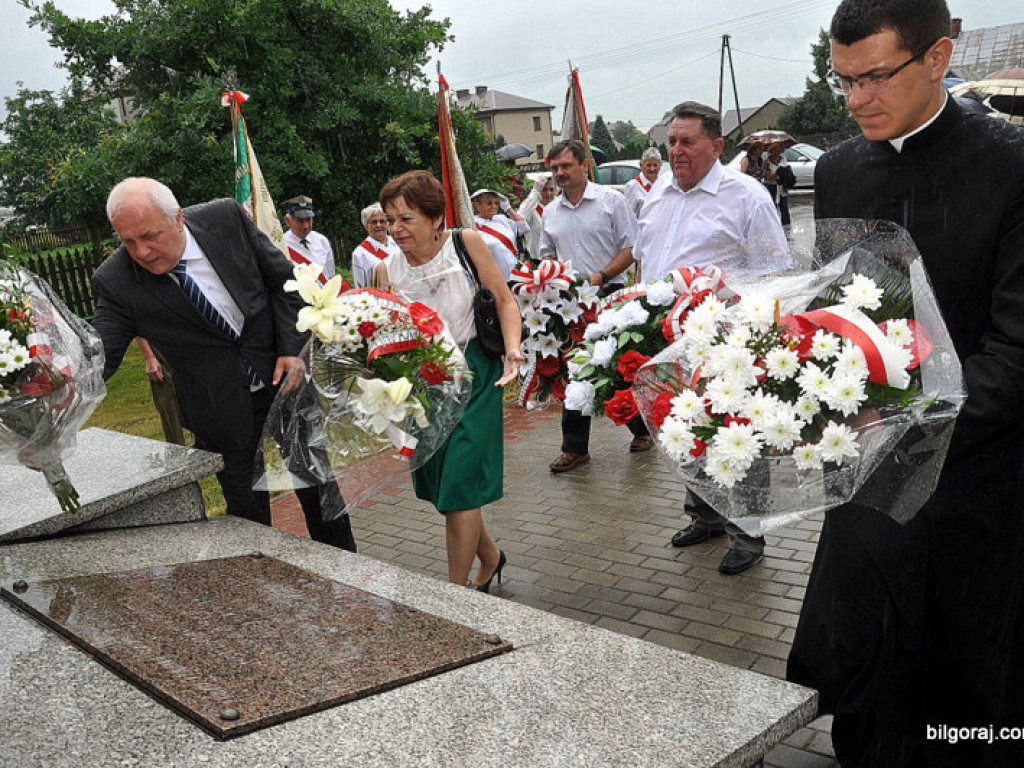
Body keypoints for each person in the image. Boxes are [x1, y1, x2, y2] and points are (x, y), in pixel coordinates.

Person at [785, 1, 1024, 765]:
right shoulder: (839, 168)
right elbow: (837, 313)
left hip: (981, 487)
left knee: (970, 702)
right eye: (843, 80)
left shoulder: (1010, 164)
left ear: (937, 56)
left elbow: (1016, 355)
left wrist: (902, 420)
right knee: (868, 686)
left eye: (875, 77)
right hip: (874, 491)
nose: (856, 101)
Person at [92, 177, 357, 552]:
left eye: (149, 236)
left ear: (179, 218)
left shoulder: (226, 220)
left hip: (286, 384)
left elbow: (284, 283)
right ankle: (262, 595)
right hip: (219, 412)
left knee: (321, 496)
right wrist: (49, 397)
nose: (142, 251)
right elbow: (97, 354)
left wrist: (290, 348)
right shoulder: (116, 281)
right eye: (128, 241)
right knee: (248, 519)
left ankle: (349, 579)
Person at [632, 101, 792, 575]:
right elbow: (646, 263)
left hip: (727, 344)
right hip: (668, 340)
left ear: (717, 146)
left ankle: (748, 532)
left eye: (687, 142)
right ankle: (704, 515)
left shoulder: (746, 196)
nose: (675, 151)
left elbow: (775, 274)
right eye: (671, 142)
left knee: (734, 436)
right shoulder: (659, 193)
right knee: (680, 429)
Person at [374, 170, 524, 590]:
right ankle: (491, 557)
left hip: (475, 374)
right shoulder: (387, 270)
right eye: (389, 220)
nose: (396, 230)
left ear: (436, 217)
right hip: (425, 384)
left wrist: (512, 349)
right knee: (445, 488)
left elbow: (504, 299)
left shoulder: (466, 243)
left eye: (406, 219)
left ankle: (455, 596)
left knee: (459, 484)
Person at [538, 139, 653, 473]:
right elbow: (546, 253)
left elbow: (631, 248)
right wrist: (549, 278)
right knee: (575, 372)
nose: (559, 173)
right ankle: (575, 449)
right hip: (569, 304)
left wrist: (601, 276)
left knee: (614, 369)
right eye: (555, 168)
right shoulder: (550, 211)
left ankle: (641, 428)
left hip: (609, 294)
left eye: (566, 166)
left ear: (584, 166)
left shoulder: (611, 201)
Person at [471, 188, 529, 280]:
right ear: (477, 206)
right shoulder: (473, 224)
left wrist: (508, 209)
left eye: (496, 203)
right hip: (495, 276)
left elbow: (523, 227)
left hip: (515, 270)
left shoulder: (501, 219)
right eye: (489, 203)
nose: (494, 206)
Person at [282, 195, 336, 280]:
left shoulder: (322, 241)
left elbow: (330, 275)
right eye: (300, 221)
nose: (306, 226)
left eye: (308, 220)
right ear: (288, 221)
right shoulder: (282, 245)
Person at [350, 202, 400, 288]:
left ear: (387, 223)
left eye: (382, 221)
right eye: (374, 222)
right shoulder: (359, 254)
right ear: (366, 226)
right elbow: (360, 286)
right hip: (379, 298)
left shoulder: (398, 242)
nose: (378, 225)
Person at [516, 174, 556, 261]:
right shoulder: (531, 207)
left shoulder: (559, 206)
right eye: (544, 190)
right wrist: (535, 193)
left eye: (551, 190)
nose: (548, 193)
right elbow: (519, 220)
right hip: (537, 260)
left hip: (559, 261)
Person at [622, 147, 663, 217]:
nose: (652, 169)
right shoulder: (633, 186)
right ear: (641, 166)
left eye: (655, 165)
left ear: (660, 166)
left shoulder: (663, 184)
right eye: (648, 165)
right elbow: (628, 217)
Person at [760, 142, 792, 227]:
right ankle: (773, 225)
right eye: (776, 150)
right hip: (771, 186)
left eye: (779, 150)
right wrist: (777, 173)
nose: (778, 152)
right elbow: (767, 177)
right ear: (772, 150)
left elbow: (786, 169)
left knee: (784, 206)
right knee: (773, 207)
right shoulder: (766, 162)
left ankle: (786, 226)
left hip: (782, 186)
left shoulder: (783, 158)